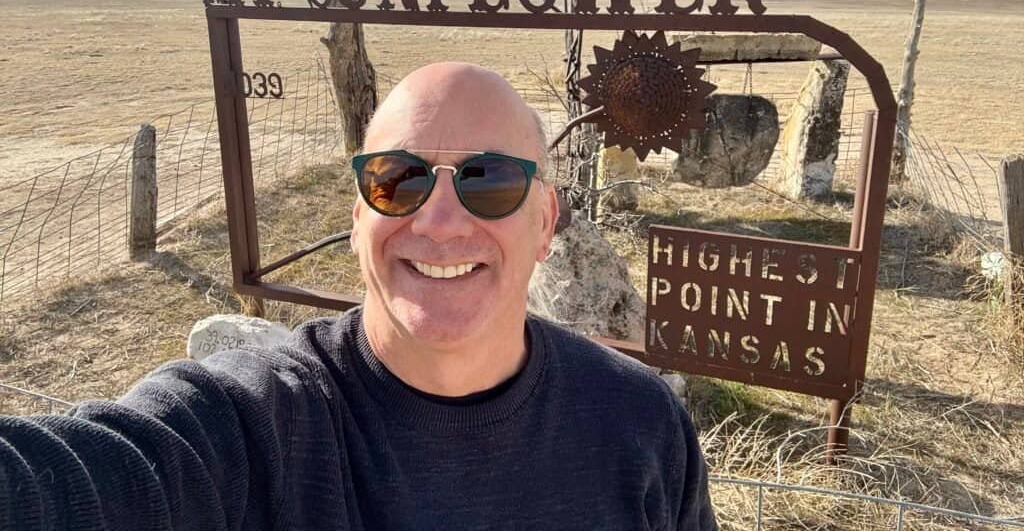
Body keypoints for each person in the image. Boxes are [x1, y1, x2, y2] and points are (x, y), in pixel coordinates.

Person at [0, 62, 717, 530]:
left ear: (546, 224)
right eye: (396, 179)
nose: (437, 222)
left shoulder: (640, 424)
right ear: (356, 220)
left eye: (490, 180)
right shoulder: (254, 429)